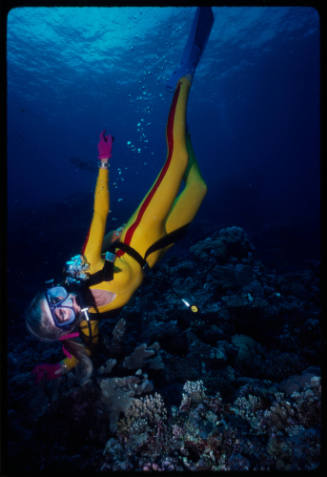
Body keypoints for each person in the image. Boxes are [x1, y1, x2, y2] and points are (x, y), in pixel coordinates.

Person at [25, 7, 214, 384]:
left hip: (139, 233)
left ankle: (183, 79)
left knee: (174, 160)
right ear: (67, 327)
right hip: (157, 249)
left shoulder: (89, 270)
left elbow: (99, 215)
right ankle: (182, 124)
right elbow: (86, 350)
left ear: (54, 287)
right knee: (198, 186)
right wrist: (63, 366)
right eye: (60, 315)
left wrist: (104, 162)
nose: (65, 302)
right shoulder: (89, 324)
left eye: (55, 298)